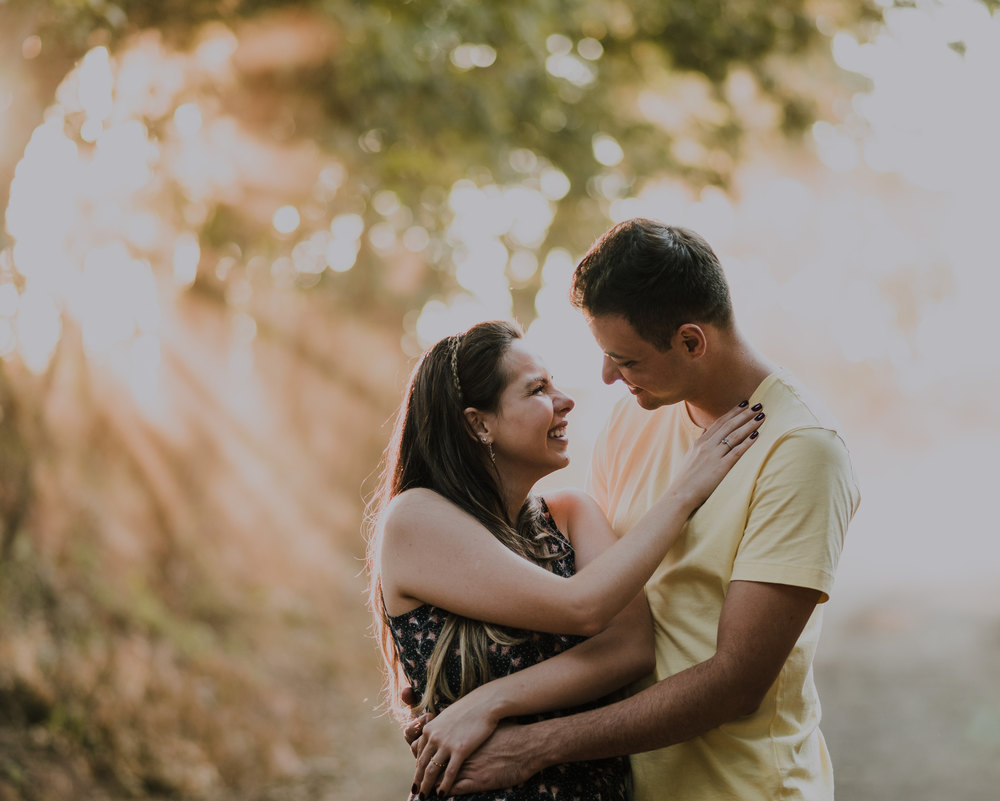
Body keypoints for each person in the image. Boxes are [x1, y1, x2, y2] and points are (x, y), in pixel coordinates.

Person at [413, 219, 860, 800]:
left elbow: (735, 683)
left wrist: (533, 747)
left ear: (692, 341)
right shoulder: (634, 415)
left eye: (625, 360)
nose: (606, 377)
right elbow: (601, 607)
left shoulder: (801, 450)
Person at [366, 318, 765, 800]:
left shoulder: (572, 514)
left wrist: (488, 702)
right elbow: (583, 607)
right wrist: (684, 492)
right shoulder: (416, 518)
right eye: (537, 389)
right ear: (479, 423)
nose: (565, 399)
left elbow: (630, 646)